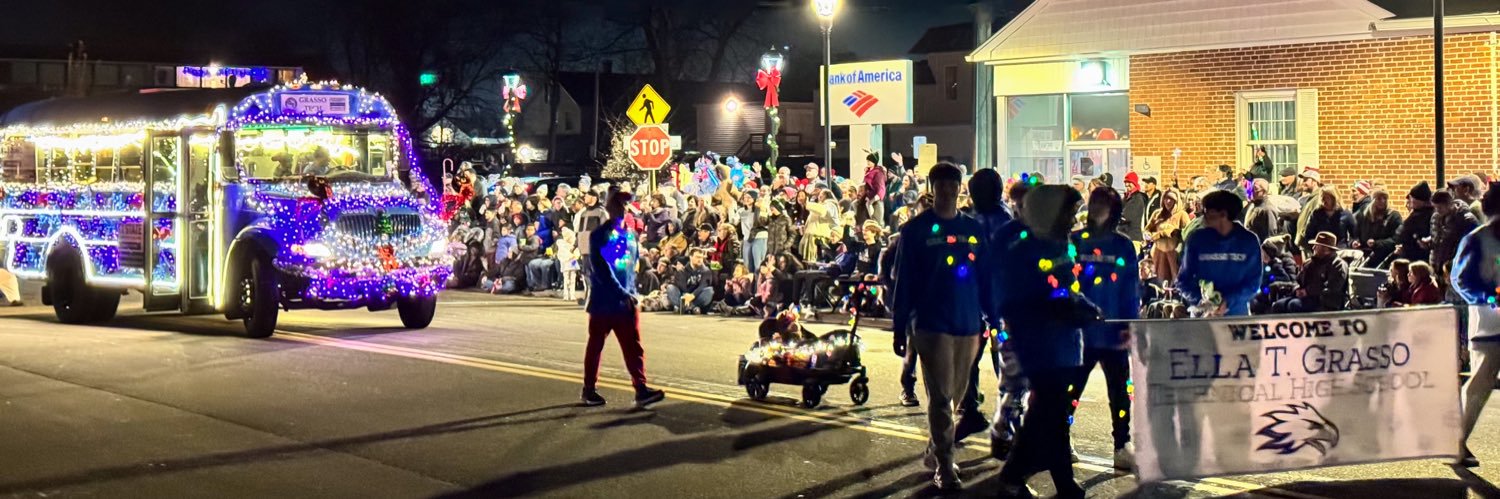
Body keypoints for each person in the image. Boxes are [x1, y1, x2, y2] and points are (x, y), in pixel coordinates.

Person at [892, 163, 996, 491]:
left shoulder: (974, 229)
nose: (949, 190)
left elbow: (986, 277)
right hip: (931, 323)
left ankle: (936, 446)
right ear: (932, 188)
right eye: (942, 185)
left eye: (954, 184)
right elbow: (904, 281)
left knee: (956, 395)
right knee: (940, 396)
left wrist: (994, 316)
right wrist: (899, 326)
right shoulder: (916, 230)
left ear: (960, 187)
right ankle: (946, 463)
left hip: (968, 324)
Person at [994, 184, 1097, 498]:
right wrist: (1064, 306)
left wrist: (1081, 304)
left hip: (1065, 341)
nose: (1072, 219)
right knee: (1046, 413)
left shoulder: (1062, 243)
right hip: (1039, 342)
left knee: (1054, 415)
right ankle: (1014, 474)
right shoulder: (1023, 248)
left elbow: (1067, 287)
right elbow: (1020, 299)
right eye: (1069, 212)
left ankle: (1060, 481)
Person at [1069, 186, 1140, 471]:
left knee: (1120, 392)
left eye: (1105, 204)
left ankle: (1121, 443)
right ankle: (1062, 438)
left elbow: (1130, 289)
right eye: (1095, 202)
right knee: (1070, 391)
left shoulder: (1122, 245)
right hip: (1081, 334)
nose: (1098, 208)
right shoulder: (1075, 241)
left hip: (1113, 332)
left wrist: (1129, 324)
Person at [580, 192, 665, 408]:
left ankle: (641, 388)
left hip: (625, 301)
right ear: (610, 209)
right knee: (596, 345)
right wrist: (623, 293)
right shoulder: (599, 235)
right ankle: (589, 389)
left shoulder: (630, 237)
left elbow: (631, 269)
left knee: (633, 347)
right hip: (605, 301)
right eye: (619, 205)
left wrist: (633, 293)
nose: (623, 209)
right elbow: (601, 270)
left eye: (626, 205)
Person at [1449, 182, 1500, 467]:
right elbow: (1461, 279)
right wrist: (1491, 295)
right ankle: (1456, 442)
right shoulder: (1476, 239)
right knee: (1480, 384)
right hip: (1489, 325)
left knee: (1481, 383)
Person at [1178, 190, 1263, 316]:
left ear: (1223, 214)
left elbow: (1253, 283)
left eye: (1208, 213)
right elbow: (1183, 280)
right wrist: (1200, 300)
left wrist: (1228, 302)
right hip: (1203, 315)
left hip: (1236, 315)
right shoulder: (1197, 239)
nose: (1204, 218)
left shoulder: (1248, 241)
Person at [1272, 232, 1349, 313]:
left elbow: (1333, 287)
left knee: (1293, 305)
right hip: (1305, 297)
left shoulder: (1338, 265)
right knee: (1278, 305)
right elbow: (1298, 280)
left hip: (1323, 301)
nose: (1313, 248)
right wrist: (1297, 289)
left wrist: (1308, 292)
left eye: (1317, 246)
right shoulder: (1309, 263)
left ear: (1326, 249)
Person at [1431, 189, 1480, 278]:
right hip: (1441, 267)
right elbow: (1439, 241)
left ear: (1450, 204)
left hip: (1457, 267)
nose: (1437, 211)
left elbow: (1474, 242)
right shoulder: (1438, 218)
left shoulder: (1466, 219)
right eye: (1435, 207)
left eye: (1440, 207)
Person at [1144, 190, 1189, 283]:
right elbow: (1147, 228)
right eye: (1166, 198)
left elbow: (1187, 231)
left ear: (1176, 201)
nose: (1168, 201)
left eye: (1171, 199)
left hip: (1174, 251)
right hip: (1158, 251)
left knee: (1175, 276)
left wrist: (1164, 233)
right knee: (1159, 277)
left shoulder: (1182, 214)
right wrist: (1147, 235)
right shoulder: (1157, 214)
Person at [1351, 189, 1402, 268]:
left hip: (1385, 257)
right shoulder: (1363, 215)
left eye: (1385, 198)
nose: (1382, 201)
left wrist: (1377, 243)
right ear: (1373, 200)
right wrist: (1355, 241)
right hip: (1364, 255)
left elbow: (1396, 239)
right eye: (1379, 198)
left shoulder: (1393, 216)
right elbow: (1355, 233)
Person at [1299, 186, 1354, 253]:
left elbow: (1354, 234)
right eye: (1322, 197)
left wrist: (1351, 244)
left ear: (1334, 198)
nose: (1324, 200)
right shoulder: (1316, 214)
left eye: (1327, 198)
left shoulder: (1345, 214)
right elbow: (1309, 234)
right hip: (1321, 252)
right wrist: (1315, 247)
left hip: (1340, 251)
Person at [1396, 182, 1435, 263]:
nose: (1410, 201)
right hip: (1410, 256)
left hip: (1417, 259)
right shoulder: (1418, 213)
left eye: (1412, 198)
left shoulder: (1426, 216)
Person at [666, 248, 715, 314]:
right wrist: (686, 296)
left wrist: (692, 295)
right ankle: (690, 308)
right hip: (684, 296)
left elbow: (703, 285)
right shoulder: (683, 270)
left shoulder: (706, 270)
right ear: (691, 257)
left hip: (697, 296)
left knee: (709, 290)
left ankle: (685, 307)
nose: (700, 260)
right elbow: (682, 287)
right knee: (670, 288)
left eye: (701, 257)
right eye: (697, 257)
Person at [1120, 172, 1148, 242]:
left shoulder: (1137, 198)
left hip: (1133, 237)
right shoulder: (1127, 197)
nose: (1126, 184)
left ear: (1134, 183)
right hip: (1125, 236)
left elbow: (1127, 216)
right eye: (1125, 182)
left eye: (1129, 182)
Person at [557, 228, 580, 302]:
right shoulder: (562, 244)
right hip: (566, 263)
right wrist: (571, 256)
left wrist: (575, 256)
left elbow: (577, 252)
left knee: (573, 279)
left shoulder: (573, 245)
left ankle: (572, 295)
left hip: (572, 263)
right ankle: (566, 295)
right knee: (566, 279)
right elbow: (562, 254)